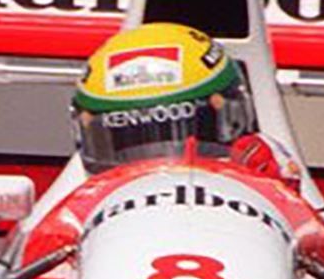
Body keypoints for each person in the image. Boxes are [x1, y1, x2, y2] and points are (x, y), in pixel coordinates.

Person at [72, 22, 301, 183]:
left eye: (172, 134)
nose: (163, 168)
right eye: (128, 142)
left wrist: (277, 191)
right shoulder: (78, 206)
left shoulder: (267, 161)